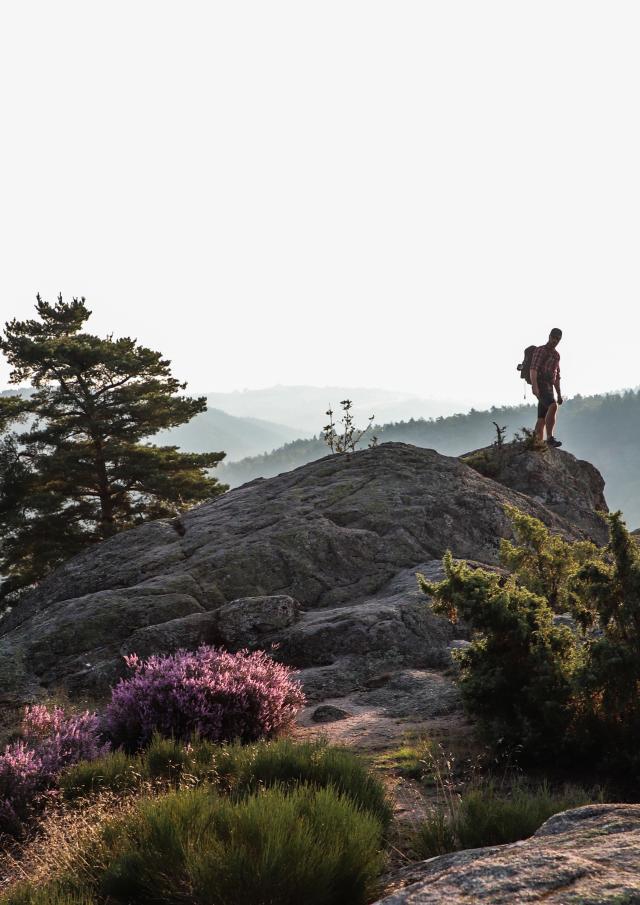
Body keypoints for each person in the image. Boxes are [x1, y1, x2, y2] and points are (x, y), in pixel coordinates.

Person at [530, 328, 563, 447]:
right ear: (549, 336)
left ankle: (536, 443)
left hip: (549, 387)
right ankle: (549, 438)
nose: (555, 340)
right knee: (553, 406)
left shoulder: (556, 355)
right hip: (540, 384)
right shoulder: (540, 350)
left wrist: (559, 394)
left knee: (542, 417)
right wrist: (535, 387)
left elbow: (557, 376)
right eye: (553, 337)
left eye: (558, 339)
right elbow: (533, 369)